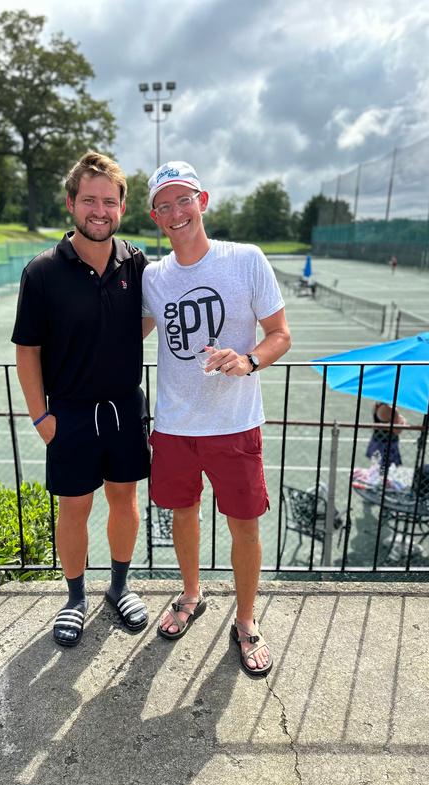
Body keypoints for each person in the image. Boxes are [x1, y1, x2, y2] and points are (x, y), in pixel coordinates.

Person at [142, 161, 291, 677]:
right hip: (174, 426)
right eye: (164, 206)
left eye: (184, 200)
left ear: (202, 201)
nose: (176, 212)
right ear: (155, 217)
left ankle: (246, 621)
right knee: (182, 515)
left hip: (235, 424)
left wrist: (249, 360)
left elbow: (280, 334)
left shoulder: (245, 259)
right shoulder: (153, 277)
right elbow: (126, 331)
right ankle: (191, 595)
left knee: (243, 525)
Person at [12, 152, 153, 648]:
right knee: (73, 507)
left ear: (122, 208)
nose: (100, 210)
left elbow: (148, 316)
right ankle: (74, 598)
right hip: (69, 413)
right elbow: (27, 351)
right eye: (89, 200)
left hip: (124, 408)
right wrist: (42, 418)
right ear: (71, 202)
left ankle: (119, 587)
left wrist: (116, 343)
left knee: (124, 501)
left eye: (109, 201)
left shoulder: (136, 263)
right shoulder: (42, 271)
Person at [365, 401, 407, 470]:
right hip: (388, 444)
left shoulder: (376, 405)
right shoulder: (392, 410)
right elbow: (397, 431)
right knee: (386, 470)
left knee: (377, 468)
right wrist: (403, 421)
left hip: (377, 440)